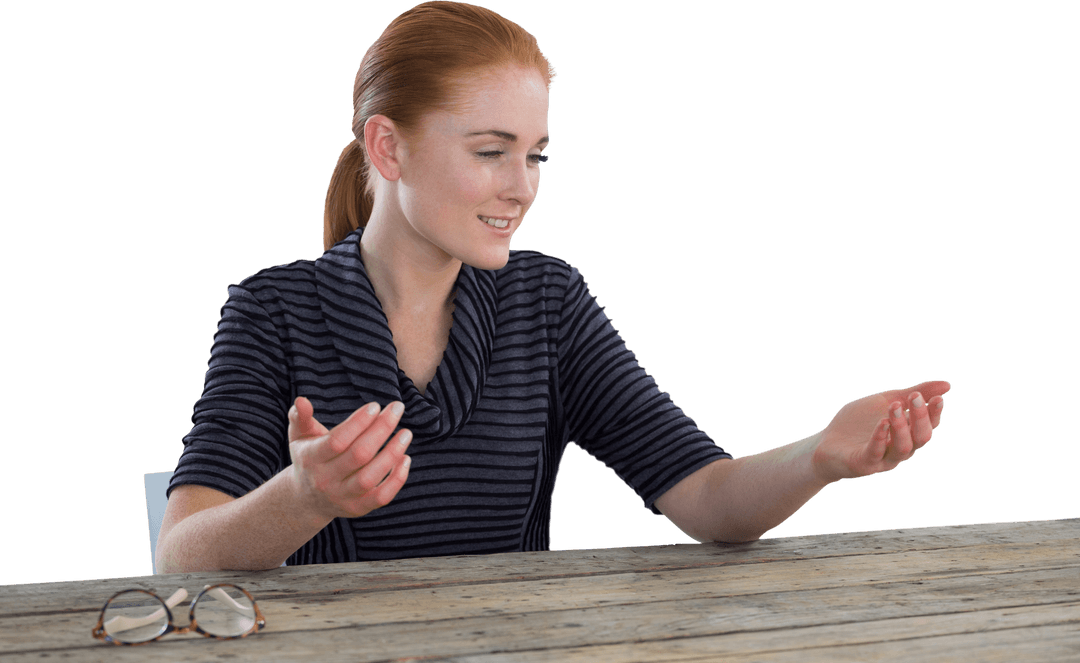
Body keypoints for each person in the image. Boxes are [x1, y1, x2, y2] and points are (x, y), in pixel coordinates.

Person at [157, 1, 950, 574]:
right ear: (388, 148)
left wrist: (819, 457)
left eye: (536, 155)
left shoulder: (548, 302)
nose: (522, 187)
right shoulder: (272, 311)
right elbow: (180, 556)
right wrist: (306, 496)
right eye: (491, 151)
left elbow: (709, 501)